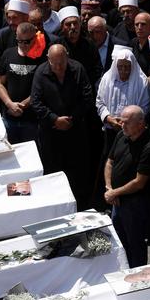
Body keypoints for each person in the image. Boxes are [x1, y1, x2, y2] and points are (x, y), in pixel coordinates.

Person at [30, 43, 93, 209]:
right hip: (51, 135)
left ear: (67, 57)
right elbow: (36, 102)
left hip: (75, 132)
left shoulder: (77, 69)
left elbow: (87, 98)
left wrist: (71, 119)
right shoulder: (41, 73)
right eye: (55, 64)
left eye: (62, 63)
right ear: (48, 60)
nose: (59, 67)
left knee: (78, 174)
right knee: (53, 173)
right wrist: (54, 119)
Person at [104, 105, 150, 267]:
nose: (122, 125)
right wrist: (109, 188)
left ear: (141, 123)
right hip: (117, 201)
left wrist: (115, 192)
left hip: (136, 204)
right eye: (121, 122)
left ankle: (139, 278)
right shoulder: (121, 135)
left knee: (135, 244)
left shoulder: (149, 147)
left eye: (127, 122)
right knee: (119, 243)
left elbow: (139, 182)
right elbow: (110, 161)